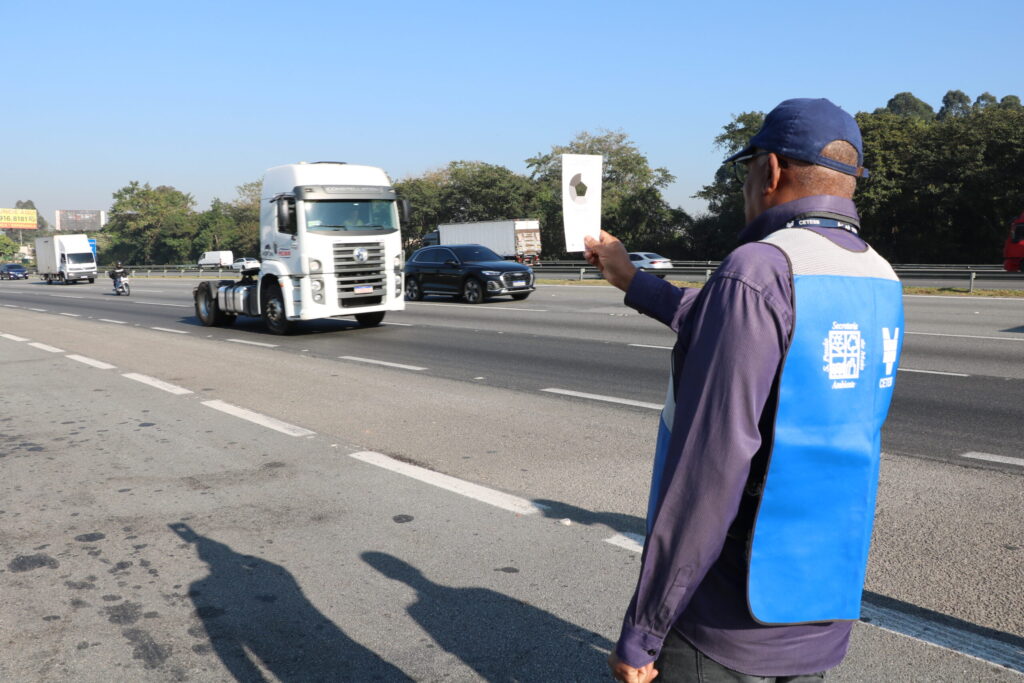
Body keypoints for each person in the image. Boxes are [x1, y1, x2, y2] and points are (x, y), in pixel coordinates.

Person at [585, 98, 904, 683]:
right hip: (818, 593)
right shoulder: (879, 274)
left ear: (771, 169)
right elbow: (720, 318)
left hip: (725, 618)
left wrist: (643, 630)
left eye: (747, 167)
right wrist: (630, 278)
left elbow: (709, 472)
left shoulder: (758, 268)